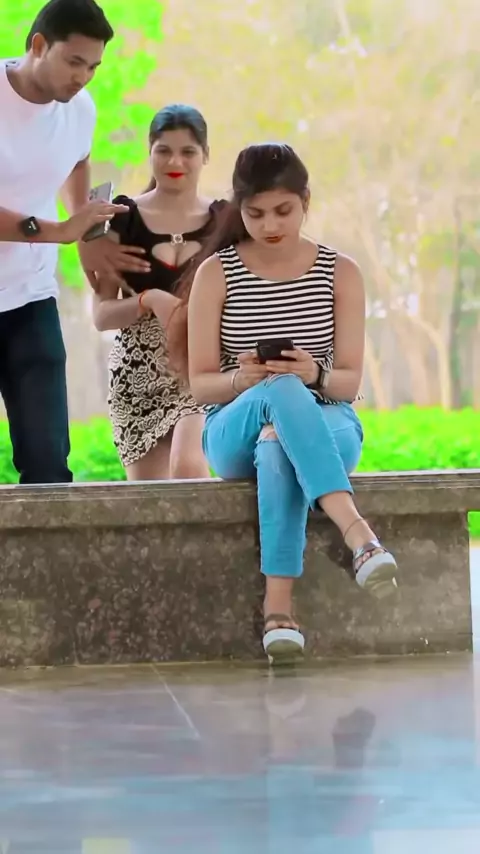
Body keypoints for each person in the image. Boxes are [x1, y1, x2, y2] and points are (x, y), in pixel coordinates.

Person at [187, 142, 398, 664]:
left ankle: (278, 610)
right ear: (239, 209)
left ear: (306, 201)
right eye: (255, 213)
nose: (270, 224)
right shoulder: (216, 273)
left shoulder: (340, 271)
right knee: (279, 394)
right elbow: (201, 386)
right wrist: (245, 379)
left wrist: (315, 373)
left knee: (278, 442)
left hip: (328, 421)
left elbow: (347, 383)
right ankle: (359, 536)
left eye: (283, 210)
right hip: (232, 426)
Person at [0, 0, 150, 485]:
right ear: (38, 45)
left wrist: (88, 232)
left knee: (48, 462)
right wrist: (60, 231)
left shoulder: (80, 109)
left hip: (30, 296)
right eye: (74, 62)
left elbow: (77, 160)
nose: (83, 77)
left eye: (93, 67)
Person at [92, 104, 227, 480]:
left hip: (200, 365)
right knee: (154, 501)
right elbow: (101, 315)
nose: (175, 162)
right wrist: (148, 299)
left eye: (188, 152)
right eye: (163, 150)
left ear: (205, 155)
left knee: (188, 464)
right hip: (137, 376)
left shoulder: (225, 220)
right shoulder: (121, 217)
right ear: (149, 152)